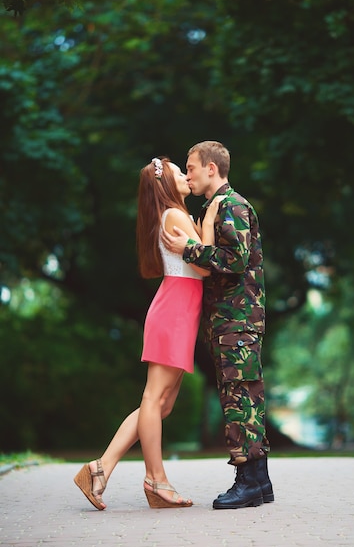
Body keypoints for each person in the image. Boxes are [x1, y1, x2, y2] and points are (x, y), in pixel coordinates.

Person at [74, 156, 223, 510]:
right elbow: (203, 266)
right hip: (174, 311)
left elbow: (196, 258)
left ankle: (100, 469)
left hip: (179, 311)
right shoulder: (174, 215)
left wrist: (201, 229)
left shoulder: (177, 215)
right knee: (154, 400)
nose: (187, 177)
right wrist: (211, 222)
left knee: (160, 404)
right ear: (166, 184)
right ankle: (156, 480)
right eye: (179, 173)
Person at [161, 141, 274, 510]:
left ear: (212, 169)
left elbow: (236, 258)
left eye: (191, 167)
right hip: (229, 321)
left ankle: (249, 483)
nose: (188, 173)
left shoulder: (232, 205)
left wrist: (188, 250)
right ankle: (258, 481)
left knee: (241, 397)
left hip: (238, 320)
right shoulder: (215, 208)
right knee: (241, 396)